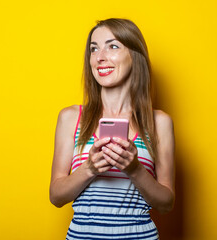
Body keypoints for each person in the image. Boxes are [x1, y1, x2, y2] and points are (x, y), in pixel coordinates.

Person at [49, 18, 175, 240]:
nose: (100, 57)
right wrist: (89, 168)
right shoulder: (71, 118)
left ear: (135, 56)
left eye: (113, 46)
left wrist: (135, 170)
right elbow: (56, 196)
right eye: (94, 49)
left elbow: (166, 204)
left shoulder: (159, 122)